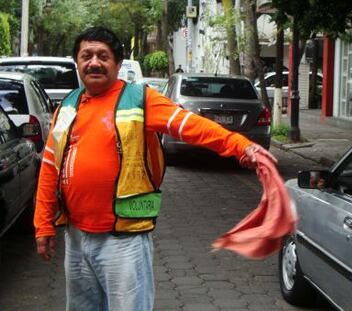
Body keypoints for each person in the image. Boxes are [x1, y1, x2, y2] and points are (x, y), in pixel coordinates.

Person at [34, 26, 276, 311]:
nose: (94, 62)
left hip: (123, 241)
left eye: (103, 56)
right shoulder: (68, 106)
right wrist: (42, 224)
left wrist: (240, 146)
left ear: (118, 63)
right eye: (86, 56)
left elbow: (190, 126)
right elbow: (50, 166)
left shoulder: (139, 99)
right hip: (75, 238)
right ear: (77, 62)